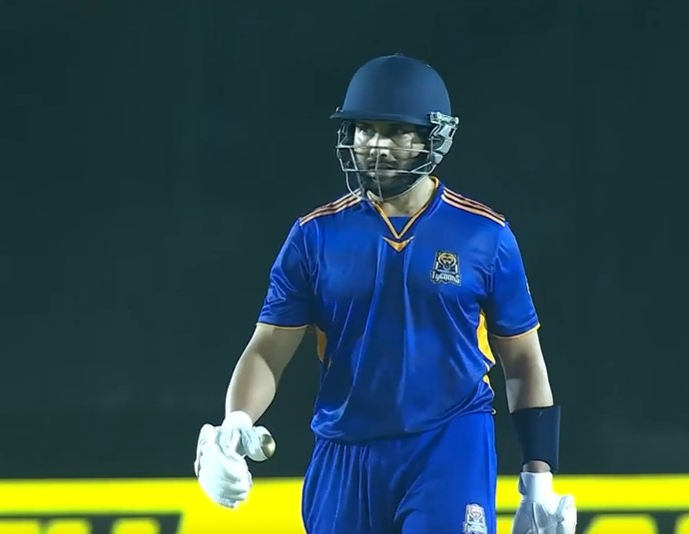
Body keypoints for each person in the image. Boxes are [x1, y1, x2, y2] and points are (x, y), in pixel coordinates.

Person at [194, 53, 576, 534]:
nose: (376, 145)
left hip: (448, 443)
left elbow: (523, 361)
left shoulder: (485, 235)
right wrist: (235, 421)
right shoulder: (315, 235)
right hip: (344, 448)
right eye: (364, 129)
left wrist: (538, 479)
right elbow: (268, 350)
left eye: (396, 131)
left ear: (433, 137)